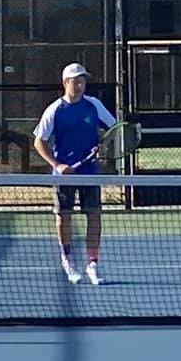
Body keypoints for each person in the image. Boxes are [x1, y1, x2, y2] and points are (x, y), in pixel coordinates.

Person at [33, 63, 116, 285]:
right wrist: (57, 164)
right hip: (63, 175)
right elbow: (39, 142)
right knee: (63, 216)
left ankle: (93, 264)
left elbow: (114, 129)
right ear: (65, 83)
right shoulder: (54, 110)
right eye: (75, 80)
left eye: (83, 80)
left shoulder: (94, 105)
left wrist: (103, 146)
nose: (80, 84)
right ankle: (68, 261)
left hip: (90, 172)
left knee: (94, 215)